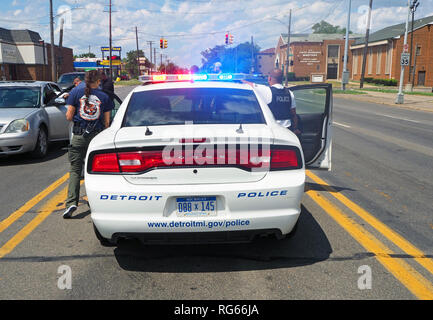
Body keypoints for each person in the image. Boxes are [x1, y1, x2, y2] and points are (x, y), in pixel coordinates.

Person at [63, 70, 114, 218]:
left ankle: (71, 203)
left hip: (79, 136)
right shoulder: (104, 96)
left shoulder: (75, 92)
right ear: (98, 81)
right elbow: (106, 123)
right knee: (96, 172)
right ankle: (96, 202)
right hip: (97, 138)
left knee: (75, 170)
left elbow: (68, 116)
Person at [247, 69, 300, 135]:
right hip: (287, 130)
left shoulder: (267, 90)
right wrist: (295, 129)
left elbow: (250, 84)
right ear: (281, 79)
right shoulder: (290, 93)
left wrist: (236, 80)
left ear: (269, 78)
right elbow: (293, 114)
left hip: (273, 129)